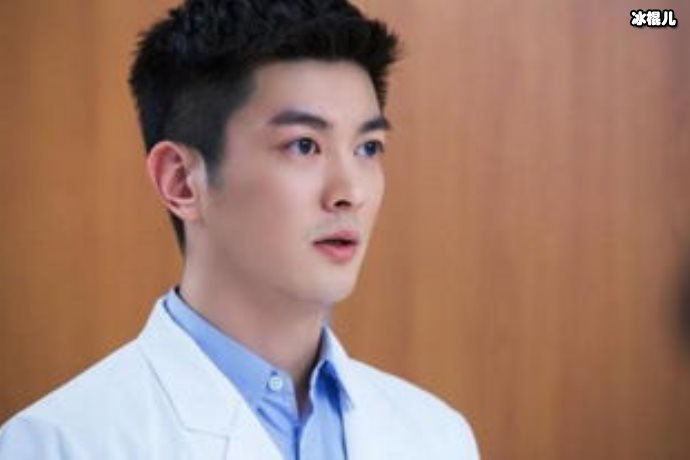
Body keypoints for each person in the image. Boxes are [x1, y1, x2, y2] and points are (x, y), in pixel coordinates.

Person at [0, 0, 480, 458]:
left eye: (368, 148)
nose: (350, 192)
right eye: (304, 145)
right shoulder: (57, 445)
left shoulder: (437, 436)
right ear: (181, 181)